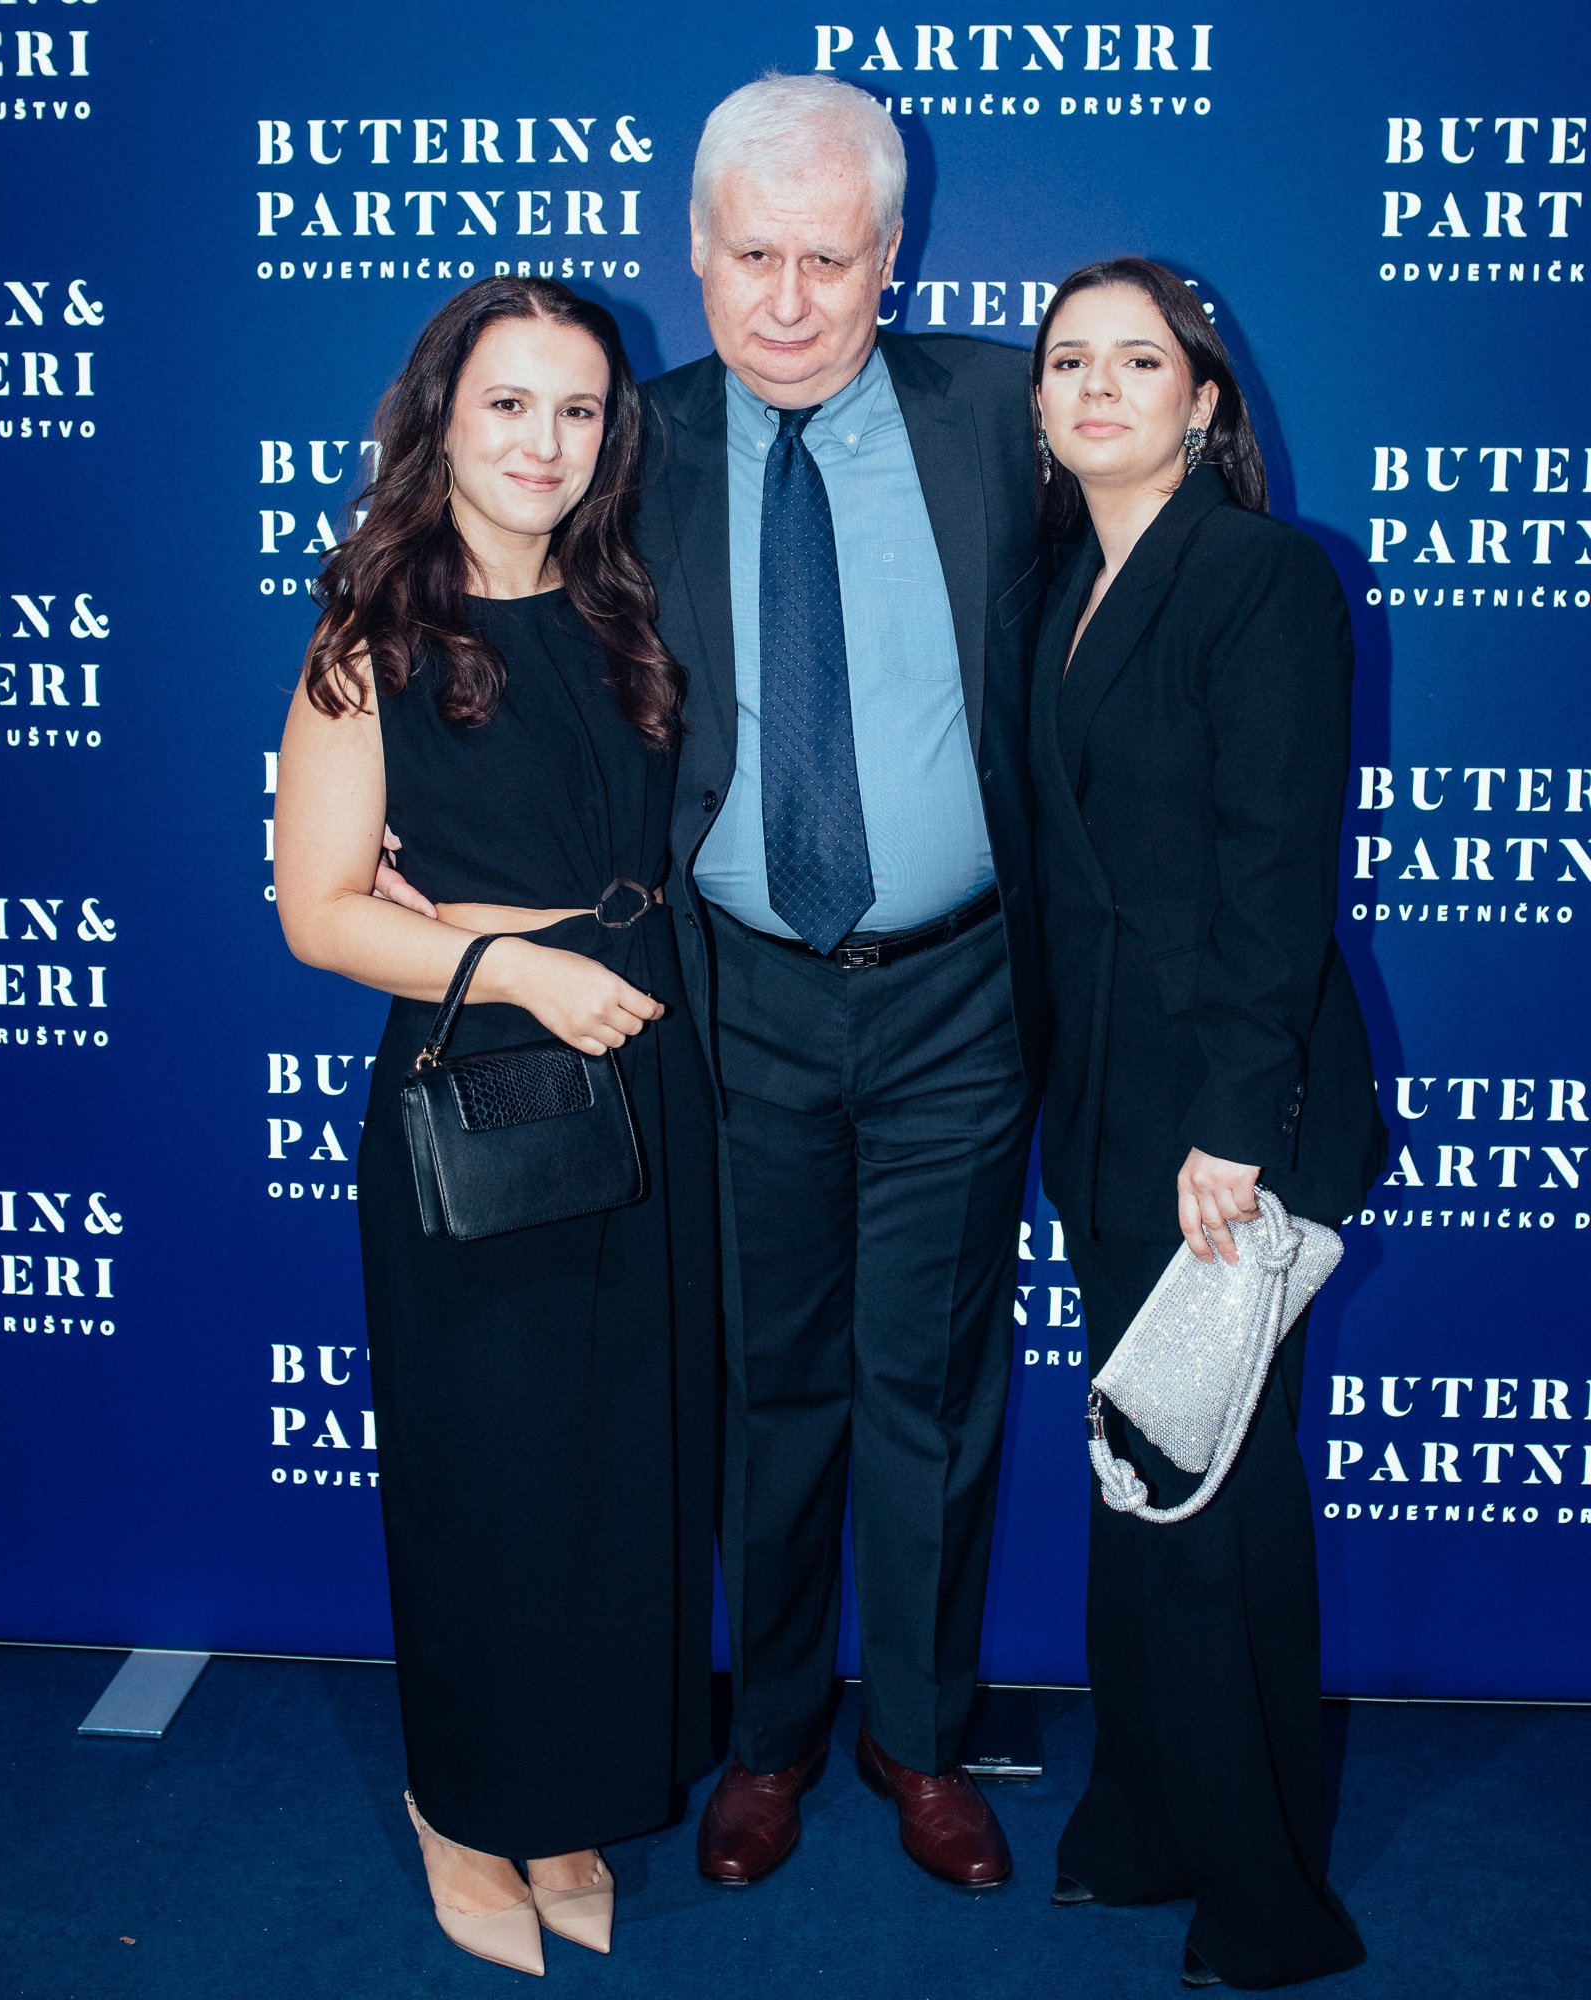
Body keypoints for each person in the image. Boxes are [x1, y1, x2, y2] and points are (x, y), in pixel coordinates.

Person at [273, 276, 717, 1976]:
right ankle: (463, 1809)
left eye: (578, 409)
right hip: (483, 1086)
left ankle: (566, 1795)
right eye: (509, 404)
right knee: (489, 1476)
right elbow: (319, 911)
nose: (545, 441)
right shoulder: (369, 639)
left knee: (618, 1469)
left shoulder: (629, 611)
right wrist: (510, 963)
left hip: (649, 1071)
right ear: (440, 421)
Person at [641, 73, 1050, 1891]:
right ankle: (773, 1737)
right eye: (754, 257)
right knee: (768, 1381)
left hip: (963, 997)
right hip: (737, 997)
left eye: (831, 257)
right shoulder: (627, 444)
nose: (791, 301)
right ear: (696, 252)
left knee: (933, 1384)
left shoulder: (1004, 419)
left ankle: (927, 1738)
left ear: (896, 254)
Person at [1027, 256, 1387, 1989]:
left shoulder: (1261, 578)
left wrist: (1232, 1127)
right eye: (1068, 361)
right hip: (1104, 1106)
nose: (1098, 386)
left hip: (1227, 1122)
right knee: (1140, 1473)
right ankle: (1148, 1818)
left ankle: (1264, 1892)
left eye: (1138, 361)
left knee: (1221, 1497)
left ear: (1205, 402)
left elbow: (1276, 874)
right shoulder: (1056, 589)